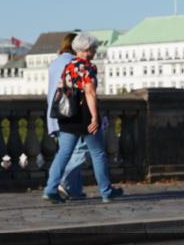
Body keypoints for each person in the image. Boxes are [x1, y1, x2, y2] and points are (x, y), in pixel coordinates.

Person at [43, 32, 124, 203]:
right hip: (84, 116)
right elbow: (90, 93)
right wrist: (95, 117)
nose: (95, 51)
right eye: (94, 48)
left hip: (67, 116)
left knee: (63, 154)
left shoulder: (68, 66)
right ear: (87, 49)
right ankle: (106, 191)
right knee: (98, 153)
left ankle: (50, 188)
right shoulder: (88, 67)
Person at [46, 32, 88, 200]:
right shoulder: (74, 63)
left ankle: (74, 190)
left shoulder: (55, 62)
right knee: (80, 150)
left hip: (55, 113)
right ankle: (63, 182)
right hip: (72, 115)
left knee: (66, 151)